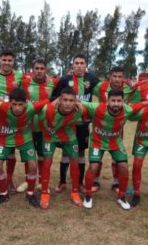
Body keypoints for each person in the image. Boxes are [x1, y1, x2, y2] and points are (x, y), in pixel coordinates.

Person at [81, 89, 147, 210]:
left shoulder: (128, 109)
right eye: (113, 100)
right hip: (97, 142)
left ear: (123, 102)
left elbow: (145, 104)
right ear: (107, 101)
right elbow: (79, 102)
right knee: (93, 167)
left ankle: (121, 197)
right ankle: (88, 195)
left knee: (123, 167)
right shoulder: (97, 108)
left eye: (118, 101)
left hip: (115, 142)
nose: (116, 103)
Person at [0, 88, 48, 208]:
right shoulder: (0, 106)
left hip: (25, 139)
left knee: (33, 165)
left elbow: (47, 101)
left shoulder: (31, 107)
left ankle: (30, 194)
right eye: (14, 104)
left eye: (20, 104)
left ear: (26, 103)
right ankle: (3, 194)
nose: (17, 108)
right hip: (5, 138)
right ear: (9, 102)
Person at [51, 54, 99, 193]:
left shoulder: (91, 79)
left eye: (82, 63)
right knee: (66, 153)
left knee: (81, 153)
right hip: (67, 123)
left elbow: (105, 87)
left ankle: (80, 182)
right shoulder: (65, 79)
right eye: (76, 63)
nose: (79, 65)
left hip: (83, 123)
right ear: (73, 65)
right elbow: (54, 96)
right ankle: (62, 182)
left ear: (86, 65)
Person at [38, 87, 84, 209]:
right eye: (65, 100)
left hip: (68, 135)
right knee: (47, 163)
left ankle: (74, 192)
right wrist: (48, 129)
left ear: (76, 101)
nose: (68, 103)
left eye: (71, 100)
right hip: (50, 136)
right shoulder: (48, 110)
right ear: (59, 100)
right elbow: (42, 123)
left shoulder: (79, 110)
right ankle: (44, 193)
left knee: (75, 162)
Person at [17, 59, 58, 193]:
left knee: (42, 155)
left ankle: (41, 181)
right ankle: (27, 180)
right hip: (27, 126)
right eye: (37, 68)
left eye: (42, 68)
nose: (39, 71)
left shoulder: (53, 82)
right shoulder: (24, 81)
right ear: (33, 69)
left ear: (46, 70)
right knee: (29, 155)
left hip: (44, 126)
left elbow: (64, 86)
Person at [0, 50, 23, 195]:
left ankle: (9, 180)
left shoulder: (19, 76)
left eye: (10, 60)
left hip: (11, 122)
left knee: (11, 153)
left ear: (13, 62)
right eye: (4, 59)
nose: (7, 62)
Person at [91, 66, 133, 193]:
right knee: (97, 157)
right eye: (114, 76)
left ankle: (116, 182)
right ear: (110, 77)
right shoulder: (101, 86)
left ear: (123, 78)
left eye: (120, 76)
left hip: (117, 128)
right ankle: (95, 181)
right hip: (99, 127)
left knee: (117, 156)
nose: (117, 79)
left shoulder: (129, 88)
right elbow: (85, 87)